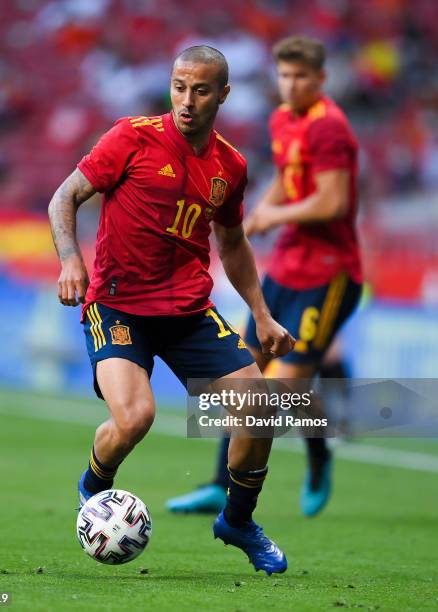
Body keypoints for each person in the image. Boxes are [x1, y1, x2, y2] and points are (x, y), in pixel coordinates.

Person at [48, 45, 295, 575]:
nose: (186, 100)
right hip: (118, 305)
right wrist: (71, 259)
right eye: (179, 87)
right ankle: (94, 487)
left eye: (200, 90)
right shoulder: (130, 136)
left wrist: (263, 313)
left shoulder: (230, 165)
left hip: (186, 311)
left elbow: (231, 242)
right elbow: (64, 196)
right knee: (136, 417)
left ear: (223, 95)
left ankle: (237, 520)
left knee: (261, 407)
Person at [166, 35, 362, 518]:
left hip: (328, 275)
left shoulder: (330, 128)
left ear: (320, 79)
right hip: (285, 268)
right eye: (284, 76)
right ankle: (218, 484)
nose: (291, 86)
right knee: (248, 377)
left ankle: (318, 457)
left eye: (301, 78)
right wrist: (262, 208)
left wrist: (272, 219)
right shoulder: (282, 121)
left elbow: (333, 200)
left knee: (280, 390)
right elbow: (288, 175)